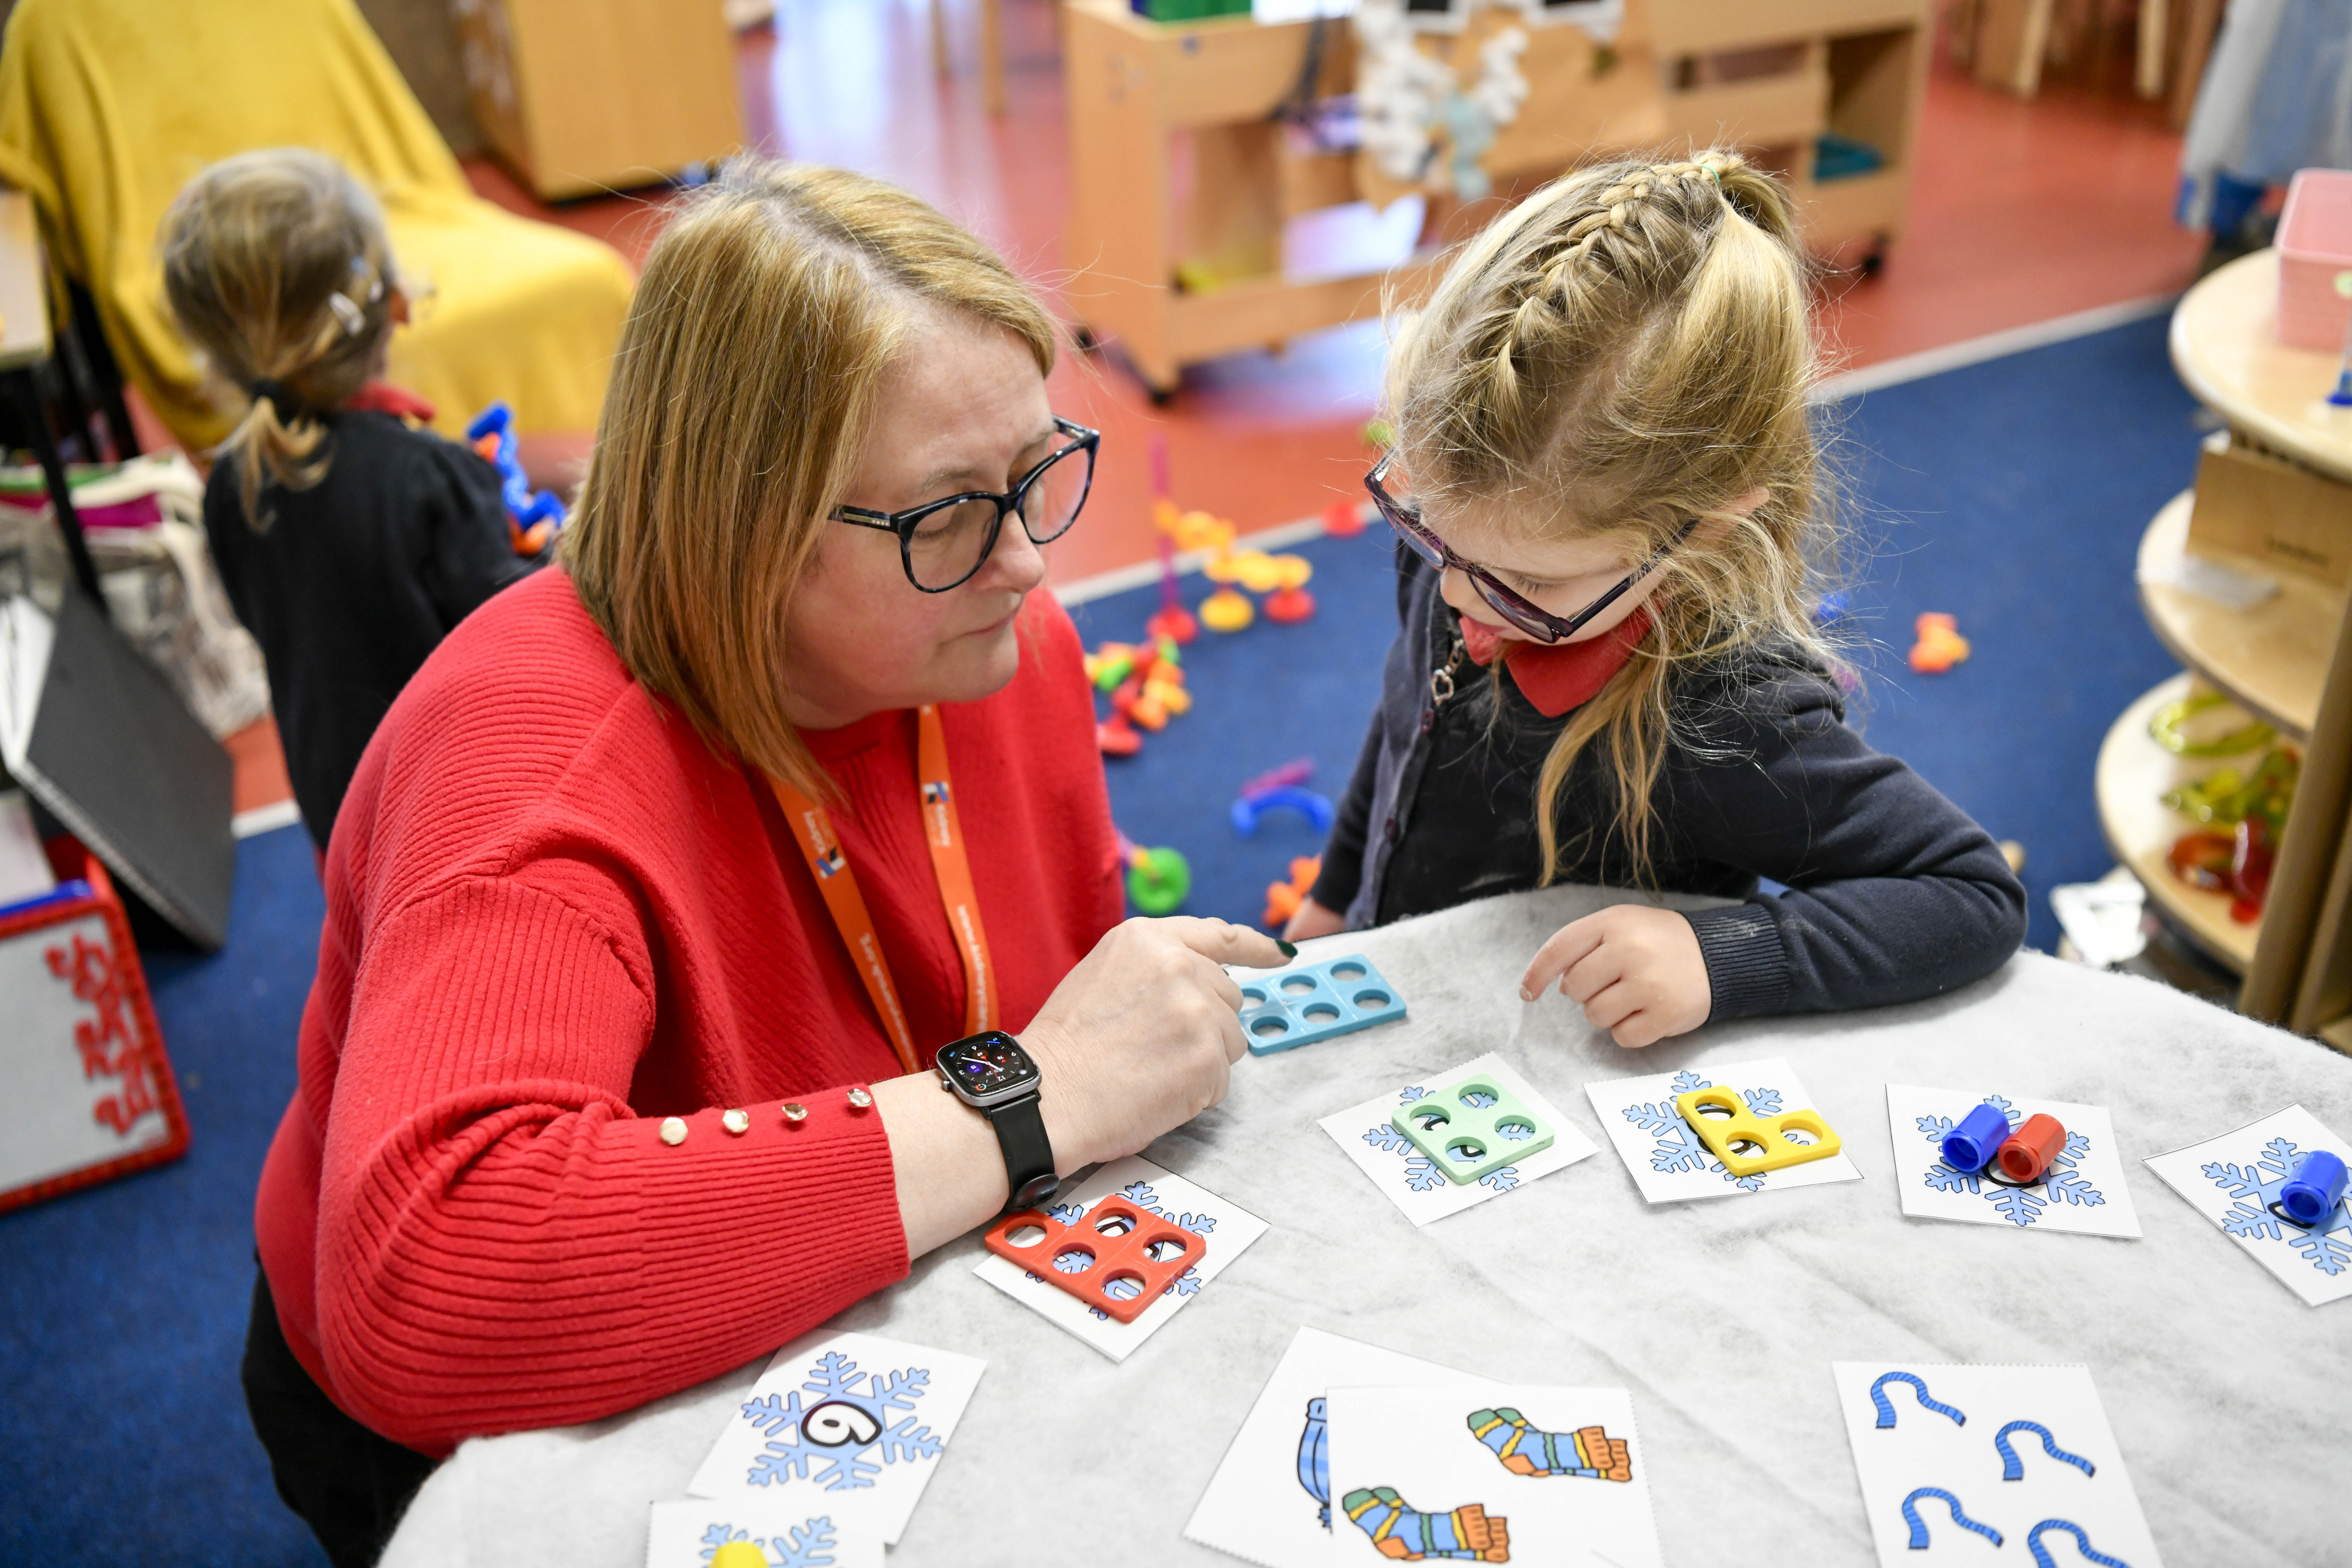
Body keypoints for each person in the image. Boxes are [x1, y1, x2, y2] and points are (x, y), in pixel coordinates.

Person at [238, 157, 1287, 1568]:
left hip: (851, 1277)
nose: (1030, 563)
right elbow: (428, 1285)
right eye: (947, 512)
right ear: (740, 530)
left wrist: (1045, 1091)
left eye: (1038, 471)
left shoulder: (990, 639)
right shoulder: (537, 763)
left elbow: (1050, 983)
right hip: (469, 1434)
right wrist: (1026, 1108)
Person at [1285, 149, 2025, 1048]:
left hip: (1559, 1072)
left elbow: (1969, 893)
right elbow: (1409, 717)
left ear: (1702, 528)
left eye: (1529, 585)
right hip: (1416, 992)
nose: (1452, 595)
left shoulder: (1728, 714)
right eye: (1426, 530)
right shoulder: (1475, 542)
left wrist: (1724, 958)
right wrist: (1336, 898)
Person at [161, 148, 536, 854]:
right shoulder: (433, 480)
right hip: (460, 810)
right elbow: (522, 647)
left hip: (341, 811)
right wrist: (546, 551)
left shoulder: (231, 485)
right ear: (393, 306)